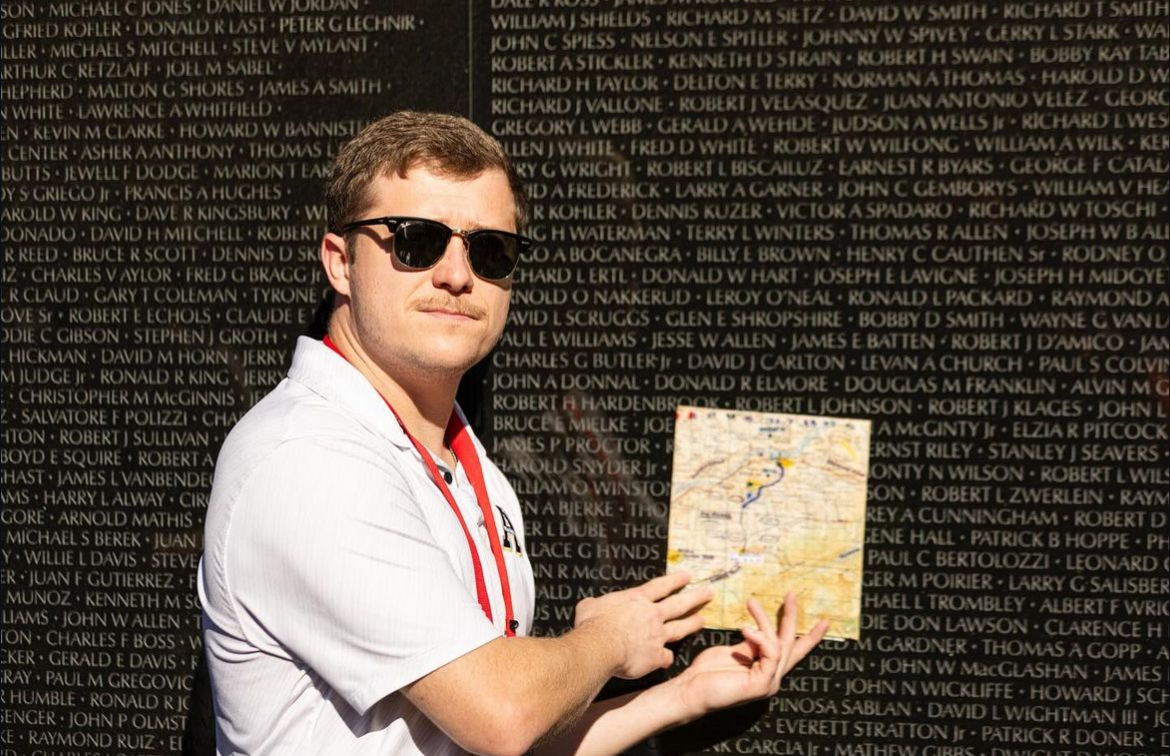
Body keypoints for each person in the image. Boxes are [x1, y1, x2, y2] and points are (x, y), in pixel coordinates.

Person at [198, 111, 828, 756]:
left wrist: (680, 695)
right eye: (417, 241)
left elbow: (492, 740)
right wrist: (608, 641)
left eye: (489, 249)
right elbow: (501, 715)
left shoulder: (469, 466)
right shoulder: (309, 459)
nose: (456, 275)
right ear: (341, 262)